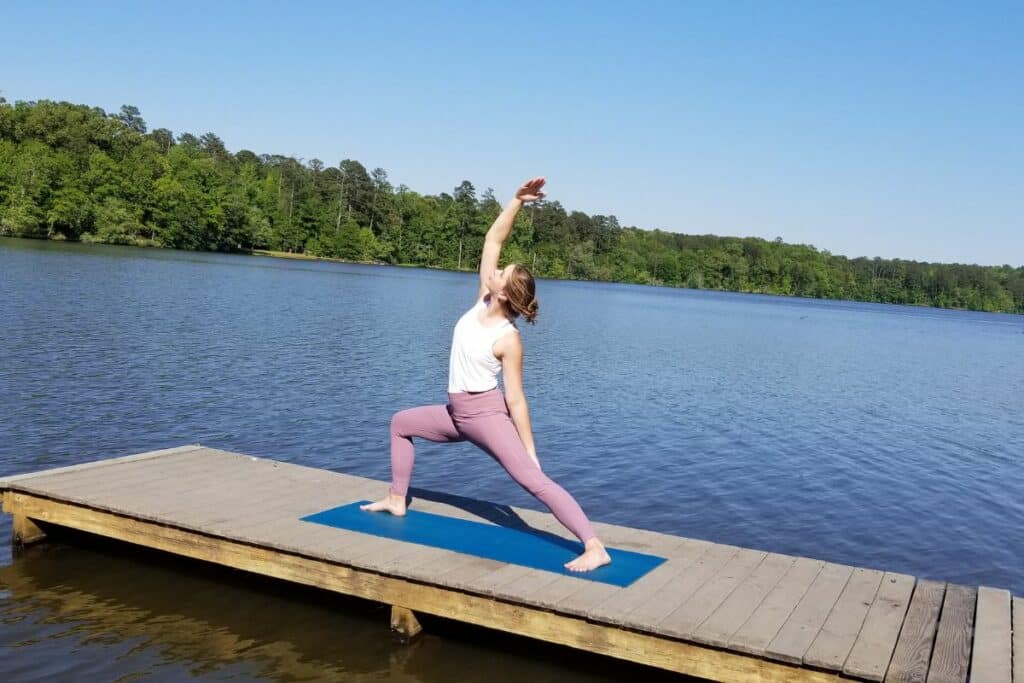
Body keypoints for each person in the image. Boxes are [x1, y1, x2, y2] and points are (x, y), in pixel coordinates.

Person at [361, 177, 611, 572]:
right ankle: (396, 499)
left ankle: (594, 545)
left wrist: (530, 449)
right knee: (400, 424)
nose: (494, 271)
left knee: (533, 481)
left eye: (501, 274)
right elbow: (492, 241)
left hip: (486, 416)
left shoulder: (507, 338)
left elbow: (515, 398)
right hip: (456, 413)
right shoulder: (482, 299)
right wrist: (516, 201)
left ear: (507, 294)